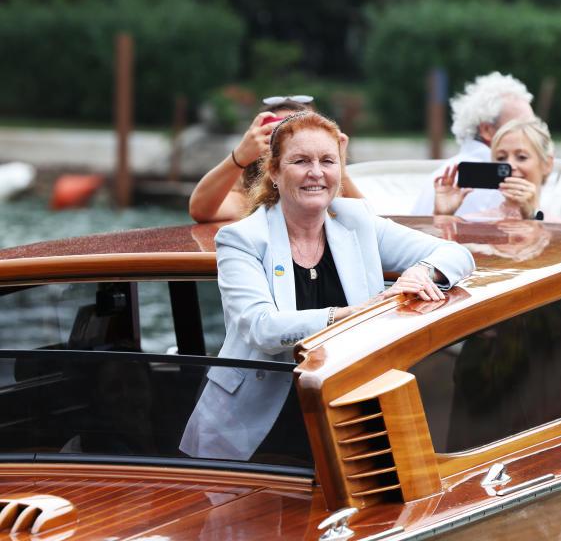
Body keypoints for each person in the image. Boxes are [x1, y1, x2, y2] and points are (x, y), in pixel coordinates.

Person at [180, 112, 474, 462]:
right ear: (273, 172)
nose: (316, 172)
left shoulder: (358, 221)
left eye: (327, 161)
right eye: (301, 161)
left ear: (340, 170)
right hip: (249, 433)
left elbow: (456, 253)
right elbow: (262, 329)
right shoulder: (241, 238)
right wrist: (351, 315)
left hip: (342, 416)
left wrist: (422, 273)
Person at [188, 95, 363, 223]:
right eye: (278, 131)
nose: (290, 140)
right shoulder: (248, 200)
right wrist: (240, 155)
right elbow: (200, 210)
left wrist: (337, 162)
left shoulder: (330, 196)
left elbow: (365, 219)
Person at [410, 72, 535, 216]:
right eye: (521, 125)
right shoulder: (501, 181)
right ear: (487, 130)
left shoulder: (444, 173)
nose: (532, 133)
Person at [433, 117, 555, 221]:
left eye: (521, 157)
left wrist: (531, 217)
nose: (510, 165)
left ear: (547, 164)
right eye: (501, 158)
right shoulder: (475, 223)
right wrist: (442, 216)